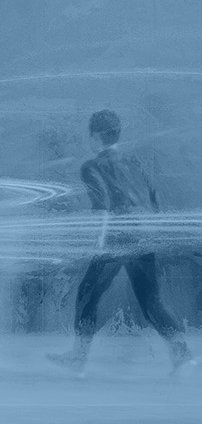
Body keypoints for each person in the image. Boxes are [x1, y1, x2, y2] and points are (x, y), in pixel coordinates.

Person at [48, 110, 195, 377]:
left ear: (95, 136)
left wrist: (99, 243)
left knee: (86, 295)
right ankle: (182, 354)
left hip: (115, 240)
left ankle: (78, 359)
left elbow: (103, 206)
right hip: (143, 237)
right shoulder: (133, 161)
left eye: (90, 135)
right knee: (151, 302)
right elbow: (154, 198)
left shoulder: (92, 166)